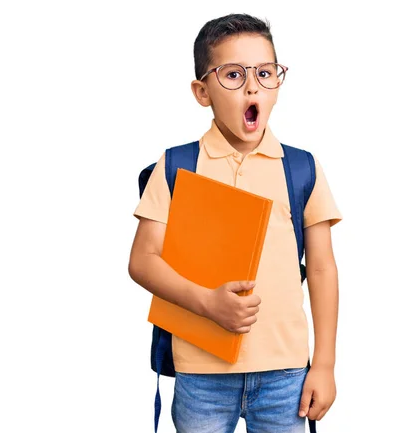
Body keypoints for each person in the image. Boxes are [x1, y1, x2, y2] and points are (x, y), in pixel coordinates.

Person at [129, 13, 343, 433]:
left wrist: (325, 365)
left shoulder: (301, 168)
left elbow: (321, 268)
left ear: (278, 85)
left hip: (286, 373)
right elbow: (142, 260)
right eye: (232, 74)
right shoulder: (176, 165)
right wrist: (208, 304)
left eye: (265, 73)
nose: (251, 86)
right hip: (201, 373)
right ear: (202, 91)